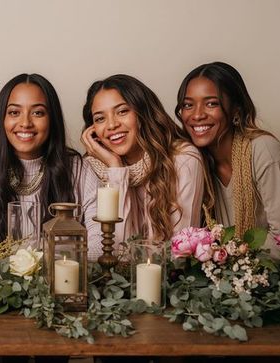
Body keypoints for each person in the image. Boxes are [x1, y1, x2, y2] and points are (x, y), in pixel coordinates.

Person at [0, 73, 103, 258]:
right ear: (2, 119)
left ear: (52, 119)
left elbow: (100, 243)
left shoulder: (79, 171)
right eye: (14, 112)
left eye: (38, 112)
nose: (25, 123)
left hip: (62, 285)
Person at [176, 61, 280, 258]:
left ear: (236, 110)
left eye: (212, 103)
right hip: (221, 281)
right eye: (188, 105)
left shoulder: (263, 150)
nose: (197, 115)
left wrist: (228, 255)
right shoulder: (193, 161)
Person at [81, 74, 204, 244]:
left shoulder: (183, 159)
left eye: (122, 111)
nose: (111, 125)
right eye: (100, 118)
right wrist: (115, 169)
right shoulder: (95, 168)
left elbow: (180, 250)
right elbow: (115, 248)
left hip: (171, 270)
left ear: (142, 113)